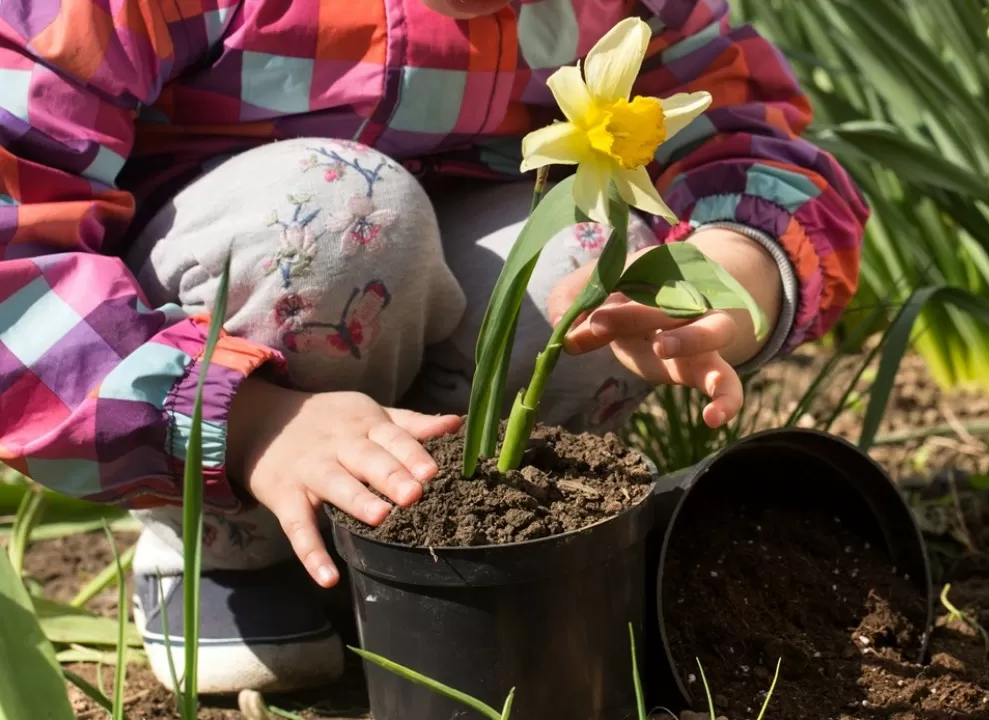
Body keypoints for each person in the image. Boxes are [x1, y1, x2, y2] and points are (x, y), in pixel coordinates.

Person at [0, 0, 868, 696]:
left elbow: (742, 125)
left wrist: (734, 263)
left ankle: (452, 543)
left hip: (437, 305)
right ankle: (229, 544)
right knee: (342, 211)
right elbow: (13, 249)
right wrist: (251, 418)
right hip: (211, 334)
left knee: (595, 262)